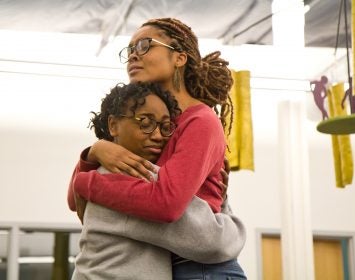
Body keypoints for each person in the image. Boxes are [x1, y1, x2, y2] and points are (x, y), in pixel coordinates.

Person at [68, 17, 247, 279]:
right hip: (169, 261)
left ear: (179, 58)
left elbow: (167, 204)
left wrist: (86, 183)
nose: (132, 57)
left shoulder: (200, 120)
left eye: (143, 46)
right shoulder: (151, 128)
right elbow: (75, 203)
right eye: (128, 51)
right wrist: (92, 153)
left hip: (203, 268)